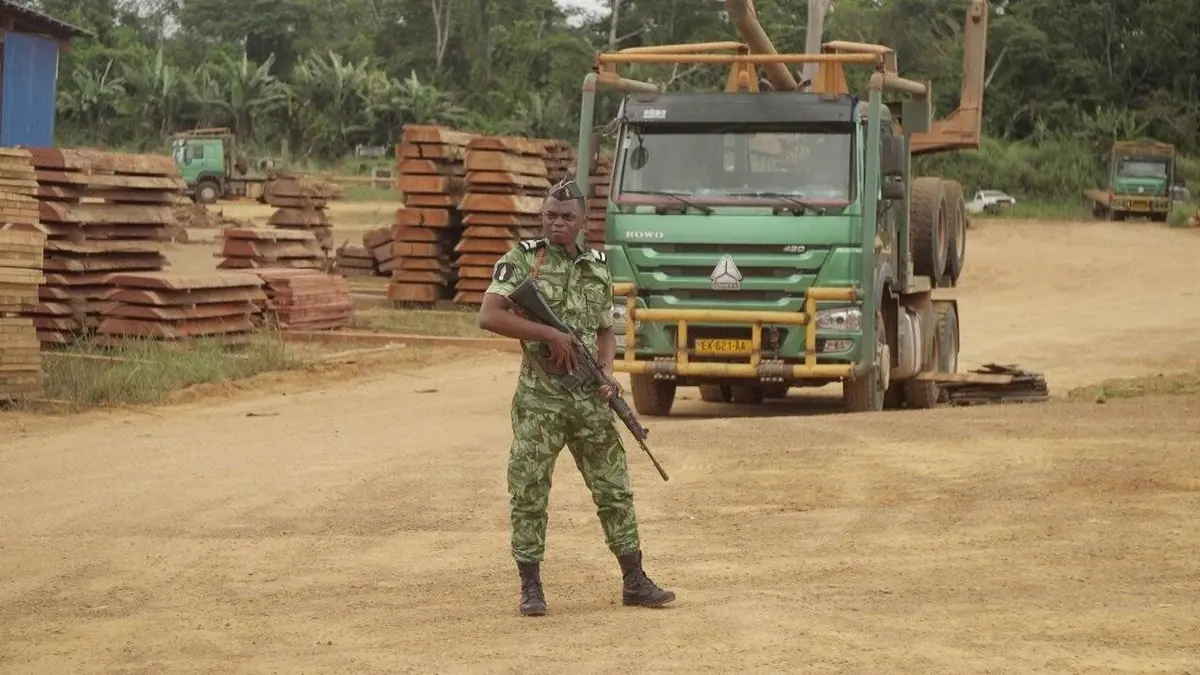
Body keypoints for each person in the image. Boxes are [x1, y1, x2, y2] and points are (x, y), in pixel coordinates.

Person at [476, 177, 676, 617]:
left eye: (567, 217)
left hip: (589, 400)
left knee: (615, 488)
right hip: (539, 400)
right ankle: (531, 587)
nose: (557, 223)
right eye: (551, 215)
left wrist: (606, 373)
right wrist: (548, 333)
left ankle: (635, 580)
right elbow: (490, 316)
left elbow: (606, 329)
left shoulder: (598, 267)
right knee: (528, 491)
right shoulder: (522, 261)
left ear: (584, 222)